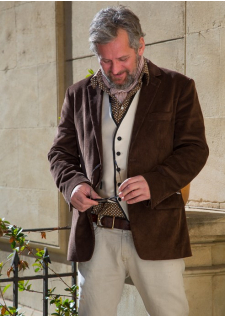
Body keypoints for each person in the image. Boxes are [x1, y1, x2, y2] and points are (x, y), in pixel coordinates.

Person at [48, 6, 209, 316]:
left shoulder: (178, 88)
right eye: (105, 60)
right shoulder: (77, 95)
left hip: (158, 231)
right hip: (98, 234)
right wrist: (73, 185)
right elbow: (60, 154)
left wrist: (156, 182)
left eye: (122, 59)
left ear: (141, 47)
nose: (115, 69)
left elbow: (194, 149)